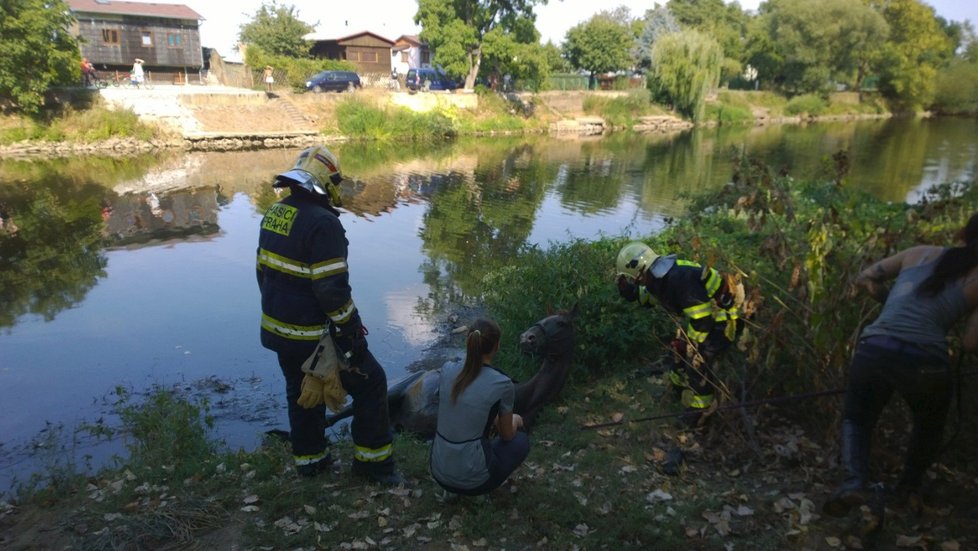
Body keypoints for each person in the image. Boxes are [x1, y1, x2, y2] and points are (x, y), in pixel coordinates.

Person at [257, 145, 403, 485]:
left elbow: (262, 272)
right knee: (371, 383)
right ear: (327, 181)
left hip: (278, 331)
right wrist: (351, 330)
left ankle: (312, 463)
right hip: (312, 335)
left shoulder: (275, 213)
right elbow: (331, 291)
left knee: (301, 391)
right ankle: (374, 465)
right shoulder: (323, 224)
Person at [822, 212, 978, 517]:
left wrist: (892, 303)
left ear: (963, 234)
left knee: (857, 419)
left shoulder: (919, 253)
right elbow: (971, 343)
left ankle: (854, 482)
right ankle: (904, 491)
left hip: (874, 348)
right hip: (925, 360)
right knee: (928, 428)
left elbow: (865, 277)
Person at [616, 242, 742, 428]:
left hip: (724, 319)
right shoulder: (658, 276)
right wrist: (632, 293)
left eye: (633, 279)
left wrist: (692, 347)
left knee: (699, 360)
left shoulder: (678, 279)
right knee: (677, 349)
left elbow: (702, 318)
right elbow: (651, 295)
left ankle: (699, 412)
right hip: (707, 319)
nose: (635, 282)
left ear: (640, 273)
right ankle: (678, 391)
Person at [430, 318, 530, 496]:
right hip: (475, 481)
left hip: (438, 470)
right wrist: (516, 419)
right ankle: (481, 489)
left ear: (468, 341)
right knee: (520, 440)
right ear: (497, 346)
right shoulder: (502, 383)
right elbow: (507, 435)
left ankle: (450, 491)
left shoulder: (447, 368)